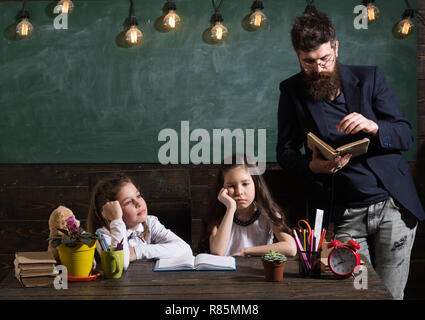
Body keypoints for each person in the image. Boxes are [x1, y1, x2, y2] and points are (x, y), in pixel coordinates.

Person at [276, 12, 424, 299]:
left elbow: (405, 135)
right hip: (343, 215)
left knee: (390, 295)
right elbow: (285, 152)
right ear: (297, 55)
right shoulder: (292, 91)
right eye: (308, 62)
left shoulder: (369, 78)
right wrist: (313, 166)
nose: (318, 68)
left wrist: (374, 126)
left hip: (391, 207)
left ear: (336, 47)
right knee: (356, 294)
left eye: (324, 59)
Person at [87, 173, 192, 270]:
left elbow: (185, 250)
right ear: (112, 211)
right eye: (128, 202)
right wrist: (116, 220)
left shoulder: (150, 223)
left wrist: (136, 252)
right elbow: (120, 264)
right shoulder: (103, 235)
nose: (138, 203)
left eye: (138, 196)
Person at [200, 154, 297, 257]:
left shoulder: (267, 214)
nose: (239, 192)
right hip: (226, 272)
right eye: (231, 186)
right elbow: (218, 252)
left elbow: (291, 248)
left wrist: (246, 251)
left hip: (256, 271)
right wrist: (230, 209)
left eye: (245, 184)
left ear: (256, 184)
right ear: (222, 189)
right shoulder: (218, 216)